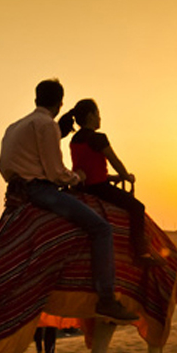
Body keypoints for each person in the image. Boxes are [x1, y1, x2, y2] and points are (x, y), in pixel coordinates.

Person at [0, 79, 137, 322]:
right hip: (40, 191)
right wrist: (76, 178)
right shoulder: (46, 125)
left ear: (36, 99)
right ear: (60, 103)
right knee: (101, 229)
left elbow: (4, 165)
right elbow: (55, 173)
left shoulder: (15, 126)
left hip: (15, 190)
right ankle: (106, 298)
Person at [61, 99, 156, 265]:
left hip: (81, 187)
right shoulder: (98, 138)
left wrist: (113, 178)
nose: (100, 118)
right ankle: (142, 253)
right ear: (91, 116)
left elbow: (88, 168)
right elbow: (115, 161)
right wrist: (126, 176)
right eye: (98, 114)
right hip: (99, 188)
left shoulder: (74, 139)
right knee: (137, 207)